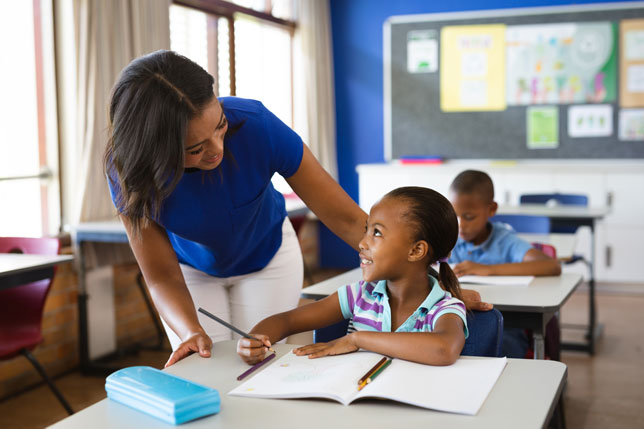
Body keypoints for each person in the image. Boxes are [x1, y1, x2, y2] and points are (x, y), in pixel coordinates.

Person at [105, 50, 489, 368]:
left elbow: (345, 218)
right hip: (188, 271)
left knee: (260, 364)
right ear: (156, 151)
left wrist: (431, 285)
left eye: (219, 126)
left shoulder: (256, 126)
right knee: (207, 367)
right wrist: (189, 331)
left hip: (268, 257)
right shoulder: (129, 174)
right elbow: (160, 275)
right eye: (195, 149)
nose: (217, 149)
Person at [237, 187, 468, 366]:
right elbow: (286, 321)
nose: (362, 242)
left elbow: (443, 349)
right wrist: (256, 339)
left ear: (416, 250)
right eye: (366, 229)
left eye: (376, 232)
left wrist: (358, 339)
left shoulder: (444, 307)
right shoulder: (359, 295)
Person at [447, 170, 561, 358]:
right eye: (454, 215)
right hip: (457, 321)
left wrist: (488, 270)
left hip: (507, 325)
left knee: (497, 350)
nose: (460, 225)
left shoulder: (504, 241)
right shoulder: (450, 238)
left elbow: (552, 266)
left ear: (491, 209)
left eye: (469, 217)